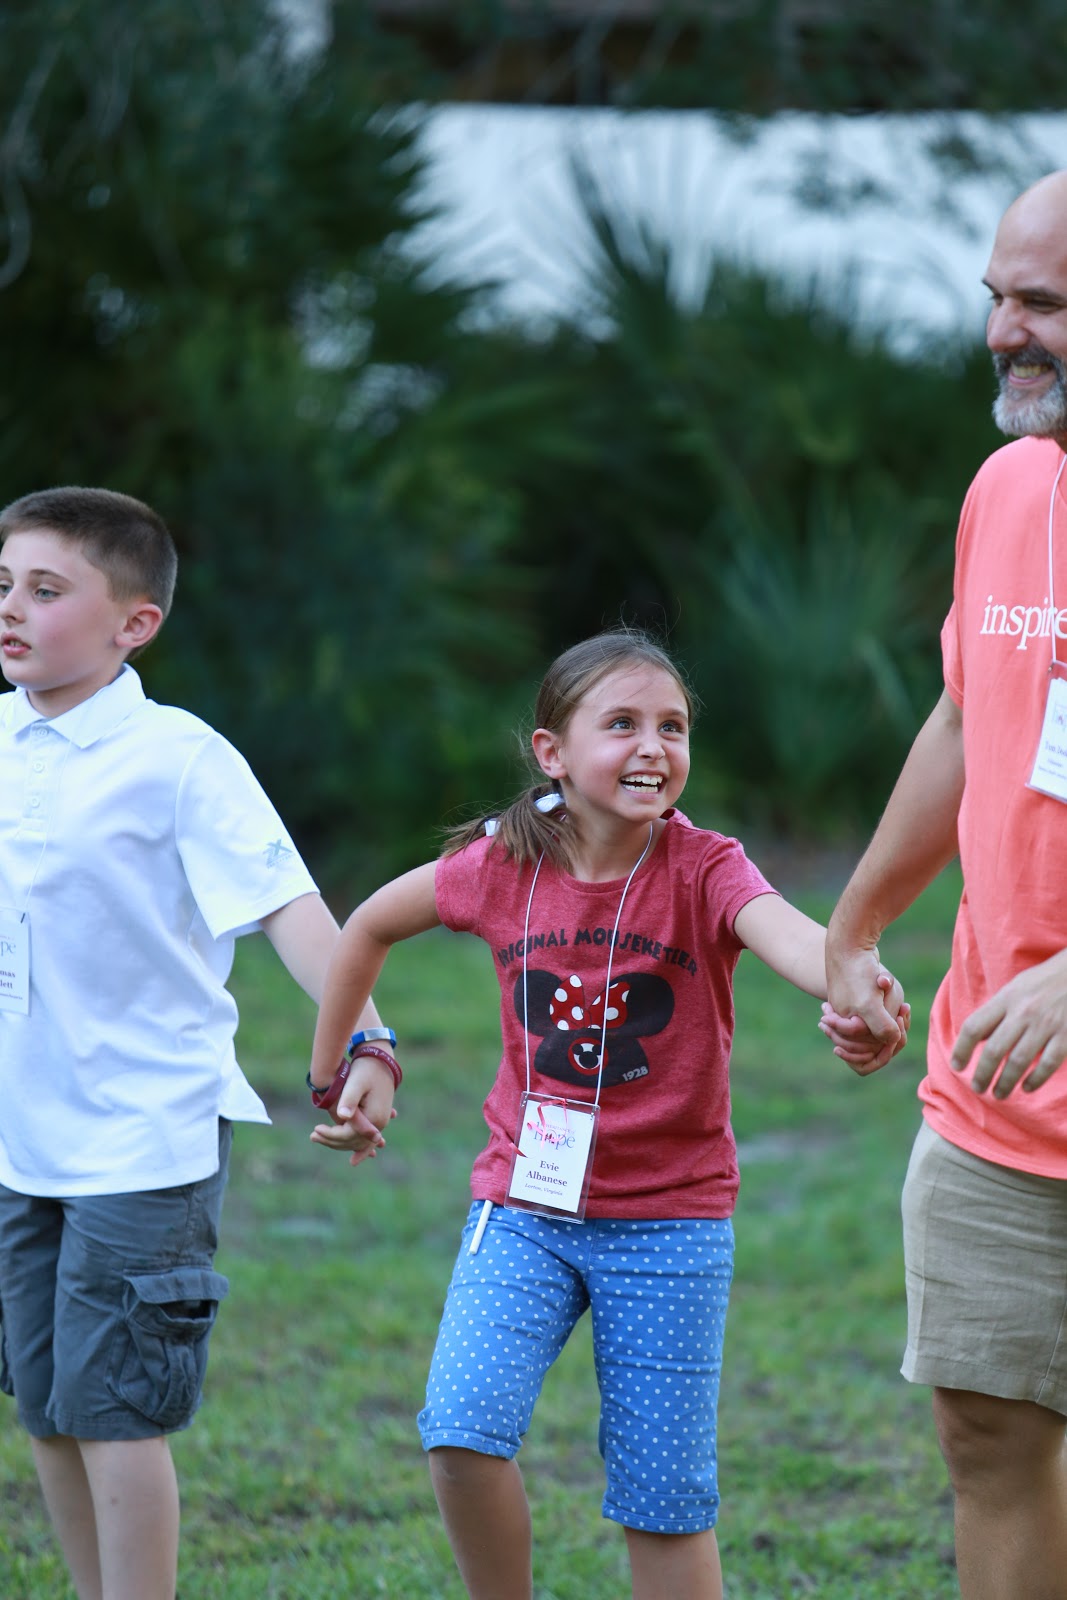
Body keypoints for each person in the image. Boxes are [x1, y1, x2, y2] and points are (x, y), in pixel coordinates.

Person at [307, 627, 909, 1600]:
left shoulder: (702, 865)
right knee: (459, 1431)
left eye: (670, 726)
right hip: (523, 1209)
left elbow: (789, 935)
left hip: (668, 1224)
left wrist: (851, 979)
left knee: (662, 1503)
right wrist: (342, 1061)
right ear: (551, 751)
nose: (651, 746)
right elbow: (369, 921)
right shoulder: (499, 864)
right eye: (620, 722)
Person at [0, 486, 394, 1600]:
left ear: (135, 623)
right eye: (3, 585)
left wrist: (370, 1039)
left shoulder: (179, 757)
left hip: (143, 1140)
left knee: (118, 1410)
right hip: (18, 1141)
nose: (13, 609)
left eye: (46, 588)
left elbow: (292, 913)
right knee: (46, 1403)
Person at [824, 168, 1067, 1600]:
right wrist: (857, 921)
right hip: (994, 1094)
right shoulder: (1009, 485)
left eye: (1038, 303)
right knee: (984, 1433)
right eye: (995, 296)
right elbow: (967, 713)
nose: (998, 331)